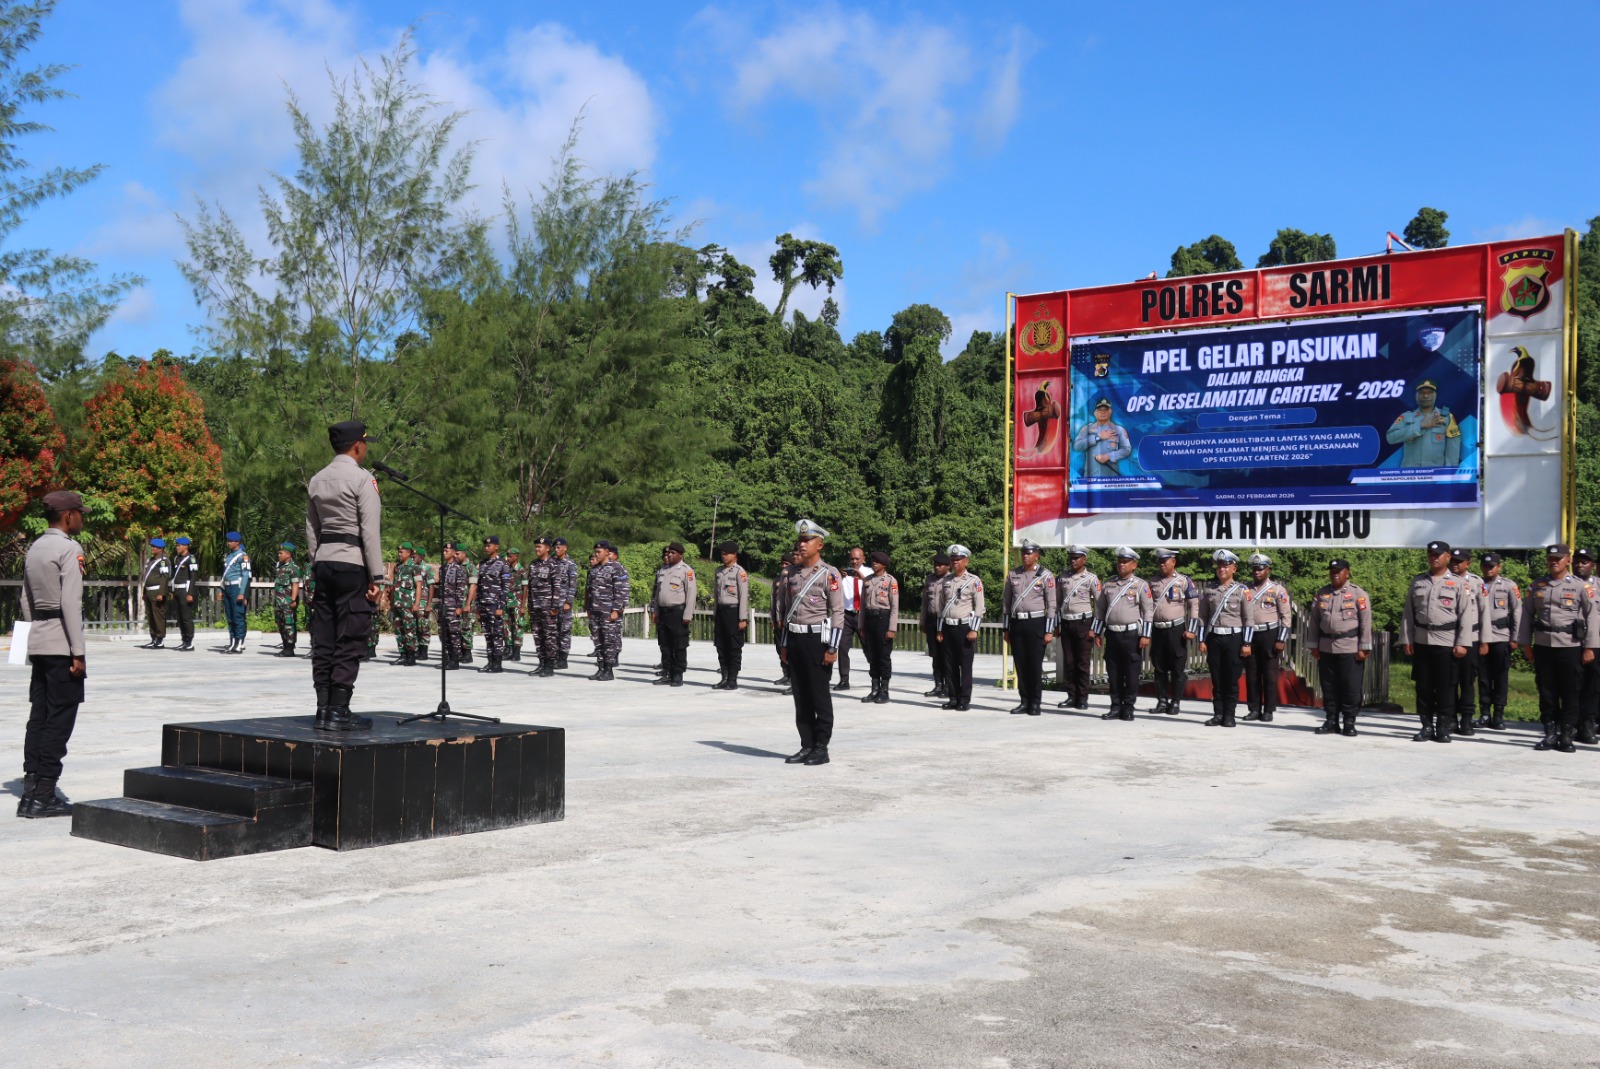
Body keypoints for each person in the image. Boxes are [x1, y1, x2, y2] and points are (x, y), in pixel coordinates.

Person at [305, 420, 386, 731]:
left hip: (324, 562)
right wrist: (376, 578)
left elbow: (312, 529)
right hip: (353, 564)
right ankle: (339, 709)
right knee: (350, 636)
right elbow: (370, 532)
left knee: (324, 636)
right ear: (357, 446)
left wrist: (318, 560)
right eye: (365, 444)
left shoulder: (317, 479)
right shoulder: (363, 480)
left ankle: (323, 708)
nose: (366, 449)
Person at [16, 490, 88, 818]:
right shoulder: (69, 549)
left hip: (40, 641)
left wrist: (32, 639)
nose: (82, 519)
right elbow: (71, 604)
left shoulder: (35, 548)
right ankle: (44, 794)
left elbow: (25, 601)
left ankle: (31, 788)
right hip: (62, 643)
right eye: (79, 513)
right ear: (68, 516)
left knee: (40, 715)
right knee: (60, 717)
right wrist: (78, 652)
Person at [1517, 544, 1600, 753]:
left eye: (1558, 558)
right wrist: (1525, 644)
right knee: (1546, 691)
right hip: (1544, 645)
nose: (1554, 561)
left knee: (1571, 691)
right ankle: (1550, 732)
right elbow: (1526, 615)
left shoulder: (1581, 587)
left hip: (1570, 645)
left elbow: (1592, 616)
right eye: (1551, 558)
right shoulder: (1537, 585)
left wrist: (1590, 646)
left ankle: (1566, 734)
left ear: (1568, 561)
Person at [778, 519, 844, 765]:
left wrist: (833, 647)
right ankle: (806, 744)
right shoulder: (790, 573)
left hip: (817, 641)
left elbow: (838, 613)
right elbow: (787, 612)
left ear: (820, 545)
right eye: (801, 540)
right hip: (794, 639)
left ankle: (821, 747)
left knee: (818, 696)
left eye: (808, 540)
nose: (802, 544)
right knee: (800, 696)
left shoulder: (830, 573)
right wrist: (784, 645)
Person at [1400, 540, 1476, 744]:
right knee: (1423, 687)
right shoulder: (1418, 582)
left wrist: (1463, 643)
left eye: (1438, 554)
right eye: (1431, 554)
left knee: (1446, 687)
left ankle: (1443, 727)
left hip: (1446, 641)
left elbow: (1465, 616)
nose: (1434, 558)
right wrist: (1406, 638)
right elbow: (1408, 613)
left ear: (1447, 557)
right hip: (1422, 640)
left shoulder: (1459, 584)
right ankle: (1426, 726)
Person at [1307, 559, 1372, 737]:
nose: (1335, 573)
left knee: (1350, 687)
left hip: (1350, 646)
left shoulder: (1358, 594)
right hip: (1326, 647)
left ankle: (1349, 722)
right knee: (1329, 687)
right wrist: (1313, 644)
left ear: (1347, 573)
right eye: (1332, 570)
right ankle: (1331, 721)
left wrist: (1364, 646)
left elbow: (1366, 623)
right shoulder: (1322, 593)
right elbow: (1314, 622)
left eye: (1339, 570)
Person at [1094, 547, 1152, 721]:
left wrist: (1146, 635)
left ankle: (1128, 707)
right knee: (1113, 672)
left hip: (1131, 635)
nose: (1121, 564)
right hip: (1112, 634)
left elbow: (1148, 611)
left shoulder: (1141, 585)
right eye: (1119, 561)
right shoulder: (1109, 584)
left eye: (1125, 562)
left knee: (1131, 672)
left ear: (1134, 565)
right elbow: (1100, 610)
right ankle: (1115, 706)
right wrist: (1097, 632)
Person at [1002, 540, 1055, 716]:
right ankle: (1024, 701)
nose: (1026, 556)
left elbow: (1052, 605)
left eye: (1030, 553)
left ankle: (1035, 703)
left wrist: (1049, 630)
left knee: (1034, 665)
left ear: (1037, 555)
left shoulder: (1045, 575)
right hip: (1017, 624)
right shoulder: (1013, 574)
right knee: (1021, 664)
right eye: (1024, 552)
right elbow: (1006, 603)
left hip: (1036, 623)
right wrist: (1006, 628)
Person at [1197, 549, 1247, 727]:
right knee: (1217, 678)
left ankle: (1230, 715)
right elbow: (1202, 617)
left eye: (1226, 566)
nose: (1222, 569)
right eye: (1219, 566)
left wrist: (1246, 642)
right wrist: (1202, 640)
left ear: (1234, 568)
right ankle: (1218, 714)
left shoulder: (1242, 590)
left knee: (1231, 679)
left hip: (1234, 638)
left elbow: (1249, 619)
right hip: (1215, 638)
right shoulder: (1209, 590)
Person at [1241, 553, 1292, 723]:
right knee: (1252, 674)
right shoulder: (1245, 589)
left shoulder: (1278, 590)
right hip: (1250, 634)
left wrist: (1281, 639)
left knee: (1269, 675)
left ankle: (1269, 710)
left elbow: (1286, 617)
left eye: (1260, 569)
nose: (1257, 572)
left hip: (1270, 634)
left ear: (1267, 570)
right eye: (1254, 569)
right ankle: (1254, 708)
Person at [1148, 548, 1199, 715]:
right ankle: (1162, 701)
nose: (1162, 564)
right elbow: (1146, 607)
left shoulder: (1184, 581)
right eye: (1159, 561)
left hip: (1176, 630)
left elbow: (1193, 605)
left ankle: (1175, 702)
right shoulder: (1152, 582)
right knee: (1159, 667)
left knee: (1177, 668)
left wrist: (1191, 629)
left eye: (1165, 561)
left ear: (1173, 562)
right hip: (1158, 630)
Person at [936, 544, 985, 711]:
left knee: (965, 665)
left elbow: (979, 608)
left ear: (966, 561)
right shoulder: (946, 581)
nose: (955, 562)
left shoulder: (974, 581)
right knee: (949, 665)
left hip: (964, 628)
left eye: (958, 560)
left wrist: (974, 629)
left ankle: (964, 699)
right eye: (953, 560)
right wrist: (940, 629)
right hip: (948, 628)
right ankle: (953, 697)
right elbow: (941, 607)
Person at [1474, 552, 1519, 732]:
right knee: (1483, 678)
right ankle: (1485, 713)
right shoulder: (1476, 584)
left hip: (1501, 636)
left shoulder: (1508, 585)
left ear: (1499, 567)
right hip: (1480, 637)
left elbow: (1517, 612)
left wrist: (1515, 637)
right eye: (1485, 566)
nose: (1488, 569)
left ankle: (1498, 715)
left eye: (1492, 566)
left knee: (1500, 677)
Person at [1054, 546, 1101, 710]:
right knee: (1069, 662)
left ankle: (1082, 697)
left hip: (1083, 623)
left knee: (1082, 663)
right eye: (1071, 557)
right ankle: (1071, 696)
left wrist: (1095, 628)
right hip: (1066, 623)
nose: (1073, 560)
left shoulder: (1091, 578)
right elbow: (1057, 603)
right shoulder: (1062, 578)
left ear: (1084, 559)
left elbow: (1100, 606)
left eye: (1076, 557)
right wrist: (1056, 625)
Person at [1448, 548, 1486, 736]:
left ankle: (1467, 719)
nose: (1455, 564)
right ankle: (1451, 718)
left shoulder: (1477, 583)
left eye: (1459, 561)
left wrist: (1485, 641)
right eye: (1452, 560)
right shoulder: (1445, 580)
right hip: (1447, 639)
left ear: (1468, 563)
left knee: (1467, 682)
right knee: (1449, 681)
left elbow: (1484, 613)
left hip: (1471, 639)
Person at [1385, 380, 1462, 468]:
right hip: (1410, 474)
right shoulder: (1406, 417)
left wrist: (1448, 473)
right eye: (1422, 393)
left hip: (1435, 473)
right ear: (1416, 397)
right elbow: (1390, 438)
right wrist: (1420, 425)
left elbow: (1453, 448)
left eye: (1429, 393)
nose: (1425, 396)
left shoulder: (1447, 417)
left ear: (1435, 396)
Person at [859, 550, 901, 705]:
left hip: (883, 619)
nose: (874, 563)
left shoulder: (890, 581)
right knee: (872, 655)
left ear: (884, 564)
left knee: (883, 656)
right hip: (869, 619)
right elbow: (863, 605)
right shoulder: (867, 580)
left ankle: (884, 690)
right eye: (873, 561)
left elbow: (895, 607)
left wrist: (892, 628)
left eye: (877, 562)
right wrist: (861, 624)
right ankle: (874, 688)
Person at [650, 542, 695, 687]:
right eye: (668, 553)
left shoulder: (686, 571)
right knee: (664, 644)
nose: (669, 555)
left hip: (678, 612)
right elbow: (657, 594)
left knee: (679, 645)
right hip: (663, 613)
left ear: (680, 555)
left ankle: (678, 674)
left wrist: (687, 615)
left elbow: (691, 594)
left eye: (673, 553)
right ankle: (667, 672)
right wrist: (655, 611)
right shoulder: (663, 571)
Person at [586, 540, 629, 681]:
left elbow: (621, 591)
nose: (596, 554)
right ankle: (601, 668)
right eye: (595, 552)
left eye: (599, 552)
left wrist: (616, 610)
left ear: (606, 552)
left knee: (609, 641)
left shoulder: (616, 568)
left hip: (608, 611)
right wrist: (588, 608)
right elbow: (589, 591)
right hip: (595, 610)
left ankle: (609, 670)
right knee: (597, 640)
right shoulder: (593, 569)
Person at [712, 541, 749, 690]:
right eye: (722, 554)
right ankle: (724, 677)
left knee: (734, 647)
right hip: (721, 612)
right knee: (721, 645)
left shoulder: (739, 572)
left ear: (734, 555)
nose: (724, 556)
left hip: (733, 612)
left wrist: (742, 618)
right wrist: (715, 613)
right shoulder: (719, 571)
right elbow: (716, 594)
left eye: (726, 554)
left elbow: (743, 595)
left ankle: (732, 679)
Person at [1572, 549, 1600, 745]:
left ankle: (1588, 722)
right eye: (1577, 561)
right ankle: (1569, 722)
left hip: (1595, 642)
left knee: (1592, 685)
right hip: (1570, 641)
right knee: (1571, 684)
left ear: (1593, 566)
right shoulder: (1566, 584)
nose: (1580, 565)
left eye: (1585, 562)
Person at [475, 536, 513, 673]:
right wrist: (477, 605)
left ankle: (497, 663)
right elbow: (479, 586)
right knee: (487, 634)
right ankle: (490, 662)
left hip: (495, 604)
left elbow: (506, 587)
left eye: (489, 545)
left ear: (496, 547)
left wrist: (501, 606)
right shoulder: (483, 563)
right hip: (484, 604)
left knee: (497, 634)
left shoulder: (503, 564)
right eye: (485, 545)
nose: (486, 548)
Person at [835, 546, 868, 692]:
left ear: (863, 559)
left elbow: (874, 587)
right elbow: (833, 591)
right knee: (842, 647)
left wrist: (862, 577)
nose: (854, 561)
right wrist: (840, 578)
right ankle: (844, 680)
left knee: (869, 649)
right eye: (852, 559)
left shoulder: (870, 573)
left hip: (863, 615)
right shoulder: (842, 574)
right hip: (847, 614)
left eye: (857, 558)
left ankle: (877, 677)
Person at [526, 537, 560, 676]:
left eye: (540, 547)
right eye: (536, 547)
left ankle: (549, 666)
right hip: (535, 606)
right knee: (538, 636)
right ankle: (541, 663)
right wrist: (529, 605)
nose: (537, 549)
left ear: (547, 548)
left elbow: (557, 587)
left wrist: (555, 606)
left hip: (548, 607)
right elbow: (530, 586)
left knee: (549, 636)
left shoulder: (553, 565)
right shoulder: (533, 564)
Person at [1072, 397, 1132, 477]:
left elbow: (1127, 449)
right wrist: (1097, 437)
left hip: (1111, 480)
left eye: (1106, 410)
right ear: (1094, 413)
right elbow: (1077, 446)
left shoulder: (1119, 430)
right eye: (1099, 410)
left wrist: (1109, 456)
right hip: (1090, 480)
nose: (1103, 412)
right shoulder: (1087, 429)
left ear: (1111, 411)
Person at [921, 552, 952, 699]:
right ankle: (938, 685)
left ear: (947, 566)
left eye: (940, 565)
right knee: (935, 656)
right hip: (932, 620)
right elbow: (925, 602)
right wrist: (923, 621)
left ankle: (948, 686)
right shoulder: (929, 580)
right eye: (935, 564)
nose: (937, 567)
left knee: (946, 655)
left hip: (945, 621)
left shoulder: (951, 579)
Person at [387, 543, 421, 667]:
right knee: (399, 630)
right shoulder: (398, 567)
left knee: (409, 631)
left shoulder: (414, 567)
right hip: (397, 604)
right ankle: (403, 655)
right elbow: (393, 587)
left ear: (408, 553)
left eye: (402, 552)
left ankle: (411, 656)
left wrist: (417, 603)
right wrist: (391, 605)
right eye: (399, 552)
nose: (399, 554)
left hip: (408, 605)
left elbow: (418, 586)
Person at [438, 543, 470, 671]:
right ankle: (448, 658)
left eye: (446, 551)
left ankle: (455, 660)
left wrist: (459, 606)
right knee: (443, 633)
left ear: (453, 553)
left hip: (453, 605)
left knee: (454, 634)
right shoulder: (442, 568)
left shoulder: (458, 569)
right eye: (443, 550)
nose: (444, 553)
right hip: (443, 605)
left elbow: (460, 590)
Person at [219, 532, 251, 654]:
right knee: (230, 617)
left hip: (236, 588)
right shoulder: (228, 556)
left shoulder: (243, 556)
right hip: (227, 588)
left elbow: (245, 575)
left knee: (238, 616)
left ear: (237, 542)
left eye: (231, 541)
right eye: (228, 541)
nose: (229, 543)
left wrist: (242, 593)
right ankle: (232, 642)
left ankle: (239, 644)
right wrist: (221, 589)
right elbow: (225, 574)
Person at [139, 537, 172, 649]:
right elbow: (146, 578)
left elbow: (164, 578)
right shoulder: (150, 560)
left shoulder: (163, 561)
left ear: (161, 549)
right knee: (151, 616)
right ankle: (153, 638)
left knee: (158, 616)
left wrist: (161, 593)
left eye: (155, 547)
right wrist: (144, 592)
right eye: (152, 546)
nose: (152, 548)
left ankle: (160, 639)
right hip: (149, 591)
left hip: (157, 591)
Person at [272, 542, 303, 658]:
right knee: (280, 623)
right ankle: (285, 646)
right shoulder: (279, 566)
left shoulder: (293, 568)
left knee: (289, 624)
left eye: (281, 553)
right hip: (279, 601)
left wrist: (293, 600)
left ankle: (290, 648)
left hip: (288, 600)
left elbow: (295, 584)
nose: (278, 555)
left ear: (288, 554)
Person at [553, 537, 579, 669]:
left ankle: (563, 658)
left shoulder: (570, 564)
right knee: (553, 630)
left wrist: (568, 601)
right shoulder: (551, 563)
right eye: (555, 548)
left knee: (564, 630)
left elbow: (573, 585)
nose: (556, 550)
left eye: (559, 548)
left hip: (564, 603)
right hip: (552, 603)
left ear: (565, 548)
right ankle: (555, 656)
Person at [169, 536, 199, 651]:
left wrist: (190, 593)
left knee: (186, 618)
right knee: (180, 618)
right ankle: (184, 640)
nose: (177, 547)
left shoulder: (191, 559)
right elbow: (173, 577)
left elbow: (193, 577)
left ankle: (189, 642)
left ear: (186, 546)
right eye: (176, 545)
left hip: (185, 591)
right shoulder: (176, 558)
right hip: (177, 590)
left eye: (179, 545)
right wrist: (172, 591)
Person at [414, 546, 437, 661]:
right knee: (415, 627)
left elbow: (431, 586)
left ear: (421, 557)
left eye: (415, 556)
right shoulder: (411, 567)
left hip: (423, 601)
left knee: (424, 627)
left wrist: (429, 604)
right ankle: (417, 649)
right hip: (413, 601)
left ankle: (424, 651)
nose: (413, 558)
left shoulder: (426, 568)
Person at [504, 547, 525, 662]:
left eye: (510, 556)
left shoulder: (522, 570)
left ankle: (517, 652)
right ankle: (509, 650)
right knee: (507, 626)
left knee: (518, 626)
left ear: (516, 556)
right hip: (507, 602)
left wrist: (523, 605)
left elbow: (525, 588)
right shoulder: (506, 569)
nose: (508, 558)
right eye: (507, 555)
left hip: (517, 602)